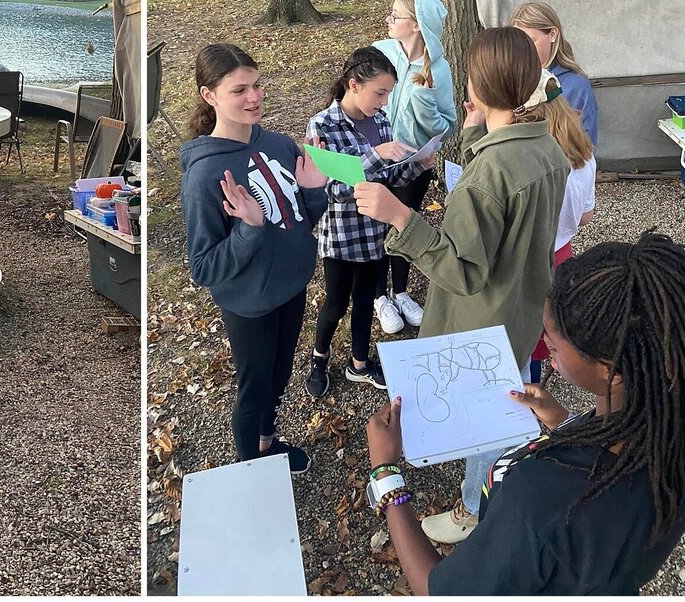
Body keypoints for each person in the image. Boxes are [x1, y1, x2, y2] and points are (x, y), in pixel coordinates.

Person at [365, 233, 685, 594]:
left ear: (611, 369)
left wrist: (386, 475)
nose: (547, 351)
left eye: (554, 345)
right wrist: (564, 424)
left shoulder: (540, 500)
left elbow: (438, 591)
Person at [355, 27, 569, 544]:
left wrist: (401, 217)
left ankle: (475, 508)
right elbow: (504, 193)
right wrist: (477, 132)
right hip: (519, 309)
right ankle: (484, 498)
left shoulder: (489, 176)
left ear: (480, 84)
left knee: (486, 425)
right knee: (511, 403)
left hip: (481, 324)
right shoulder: (546, 146)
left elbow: (462, 270)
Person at [180, 43, 330, 472]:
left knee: (280, 374)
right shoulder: (206, 175)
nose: (254, 97)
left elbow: (299, 222)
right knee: (255, 387)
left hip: (292, 285)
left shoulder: (279, 145)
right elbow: (203, 266)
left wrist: (314, 190)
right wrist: (248, 228)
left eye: (257, 85)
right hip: (250, 304)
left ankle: (268, 442)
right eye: (239, 90)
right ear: (209, 96)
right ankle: (252, 470)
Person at [304, 47, 431, 399]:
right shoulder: (322, 125)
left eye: (389, 93)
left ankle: (359, 362)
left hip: (376, 232)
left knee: (365, 300)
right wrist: (375, 155)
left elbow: (389, 177)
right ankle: (320, 357)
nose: (385, 102)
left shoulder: (380, 121)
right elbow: (330, 188)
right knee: (336, 302)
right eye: (380, 93)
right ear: (353, 85)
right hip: (342, 236)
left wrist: (418, 164)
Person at [369, 0, 457, 334]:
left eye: (396, 16)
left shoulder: (439, 69)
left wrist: (424, 105)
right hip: (377, 159)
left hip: (414, 165)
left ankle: (401, 291)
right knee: (375, 228)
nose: (389, 20)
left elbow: (447, 125)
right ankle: (379, 297)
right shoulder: (380, 53)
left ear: (417, 25)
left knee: (404, 224)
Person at [527, 93, 596, 382]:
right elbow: (585, 216)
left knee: (523, 335)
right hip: (562, 255)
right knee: (547, 328)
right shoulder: (585, 155)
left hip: (528, 260)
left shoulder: (532, 161)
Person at [508, 1, 599, 146]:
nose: (523, 50)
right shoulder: (510, 82)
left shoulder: (575, 86)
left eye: (531, 41)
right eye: (517, 43)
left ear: (552, 34)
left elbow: (585, 147)